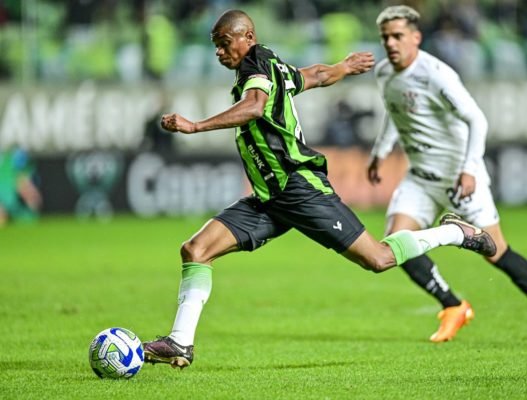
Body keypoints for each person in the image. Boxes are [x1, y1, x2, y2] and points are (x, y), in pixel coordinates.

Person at [143, 9, 496, 369]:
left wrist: (195, 126)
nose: (219, 52)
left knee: (378, 259)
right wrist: (342, 67)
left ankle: (455, 232)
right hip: (269, 197)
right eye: (216, 46)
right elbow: (311, 75)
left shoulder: (255, 69)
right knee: (196, 249)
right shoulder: (270, 66)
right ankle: (180, 342)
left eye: (224, 43)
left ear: (247, 37)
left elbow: (253, 107)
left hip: (299, 188)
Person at [367, 5, 527, 343]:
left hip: (459, 177)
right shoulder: (385, 73)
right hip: (420, 177)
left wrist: (469, 168)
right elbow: (395, 112)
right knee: (396, 245)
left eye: (398, 35)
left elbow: (477, 119)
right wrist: (380, 151)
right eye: (385, 36)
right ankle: (453, 306)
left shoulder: (436, 74)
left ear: (416, 38)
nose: (390, 43)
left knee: (495, 251)